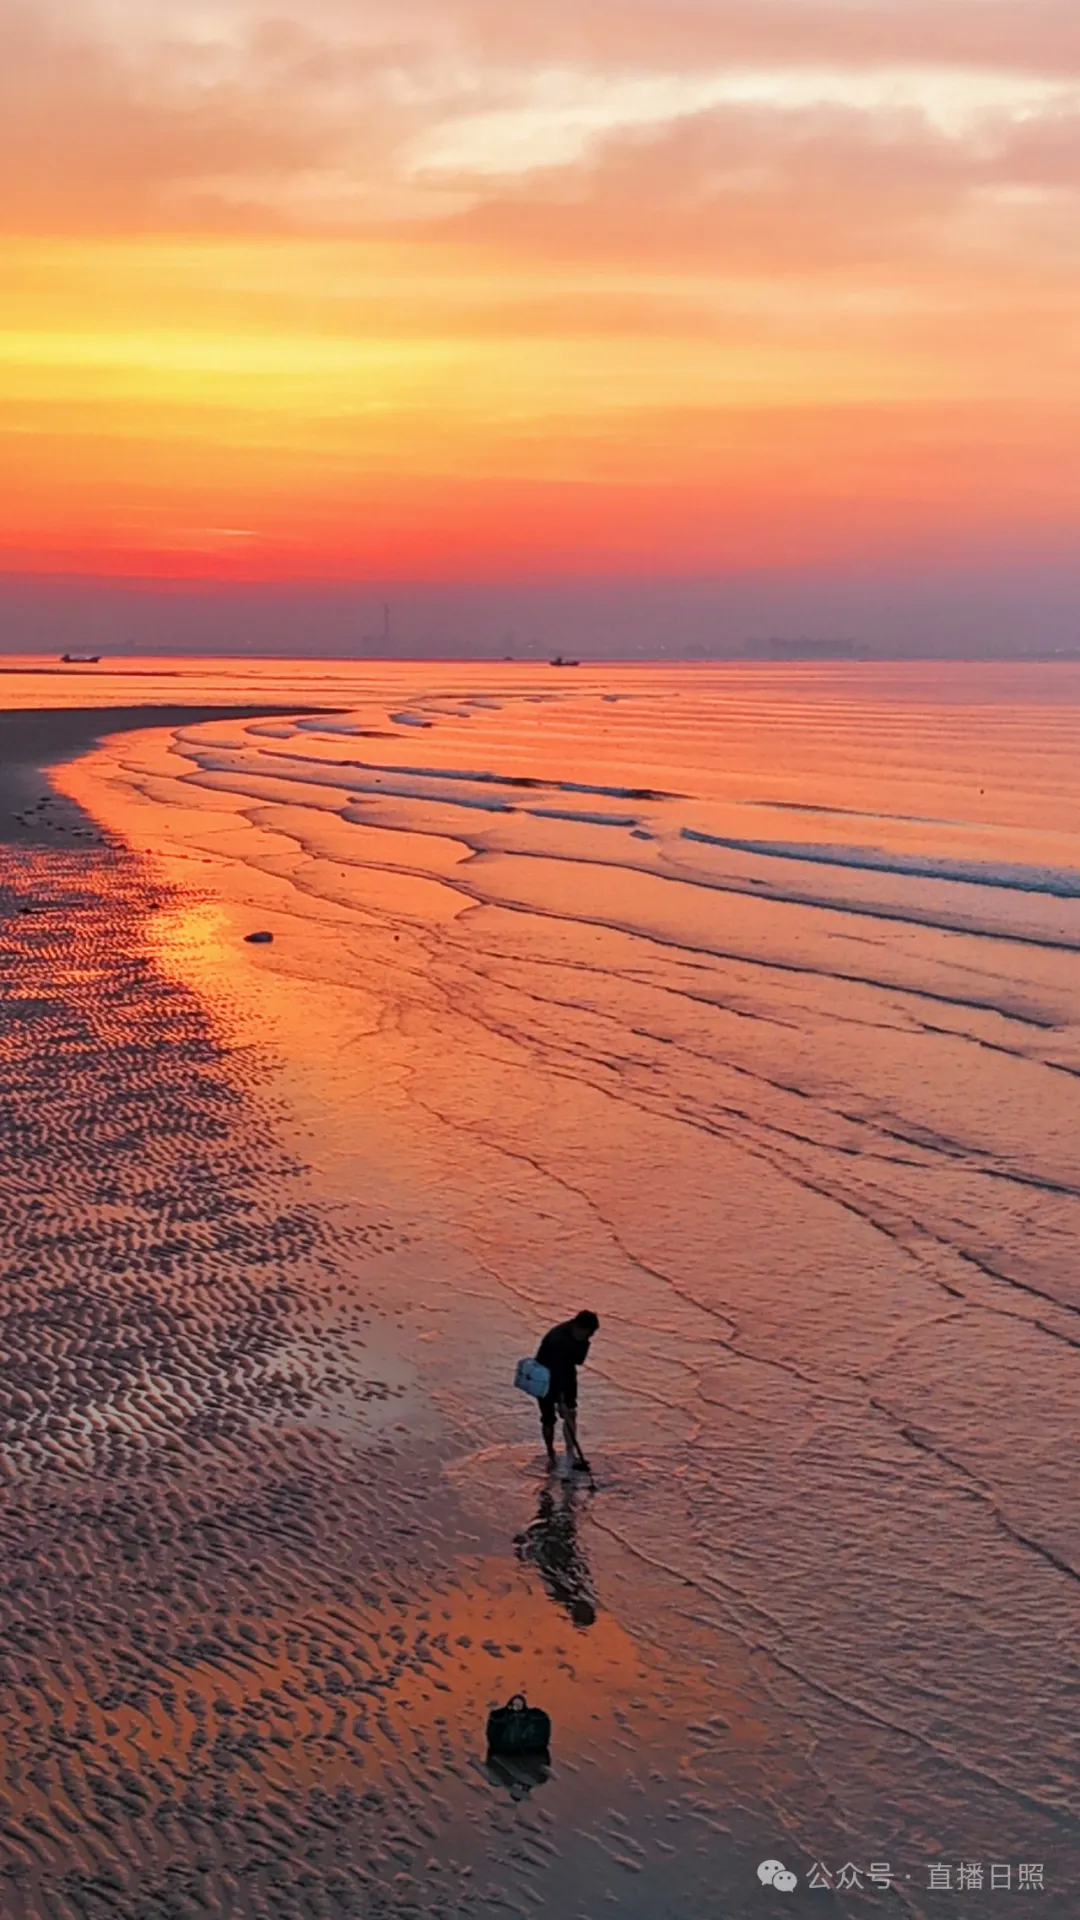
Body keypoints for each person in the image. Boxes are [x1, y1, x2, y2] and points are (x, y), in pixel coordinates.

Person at [535, 1311, 599, 1471]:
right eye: (588, 1333)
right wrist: (560, 1400)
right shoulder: (557, 1340)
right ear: (579, 1327)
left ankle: (571, 1455)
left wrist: (584, 1343)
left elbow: (578, 1360)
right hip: (543, 1377)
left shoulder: (581, 1339)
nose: (589, 1337)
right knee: (548, 1419)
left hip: (567, 1375)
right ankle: (551, 1453)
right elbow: (556, 1372)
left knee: (570, 1413)